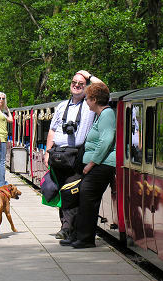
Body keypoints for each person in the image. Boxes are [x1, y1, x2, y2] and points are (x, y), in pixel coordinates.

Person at [44, 70, 103, 240]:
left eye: (81, 83)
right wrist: (47, 153)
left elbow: (104, 89)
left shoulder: (90, 105)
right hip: (58, 155)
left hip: (78, 155)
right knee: (63, 192)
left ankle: (68, 228)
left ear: (87, 87)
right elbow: (52, 130)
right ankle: (68, 227)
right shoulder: (62, 106)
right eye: (74, 82)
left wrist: (89, 75)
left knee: (72, 192)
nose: (76, 85)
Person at [60, 82, 116, 248]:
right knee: (81, 199)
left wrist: (91, 164)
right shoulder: (101, 115)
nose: (86, 102)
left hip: (102, 165)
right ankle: (77, 234)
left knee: (88, 201)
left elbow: (106, 141)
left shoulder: (107, 115)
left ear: (94, 99)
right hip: (96, 165)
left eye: (87, 99)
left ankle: (85, 238)